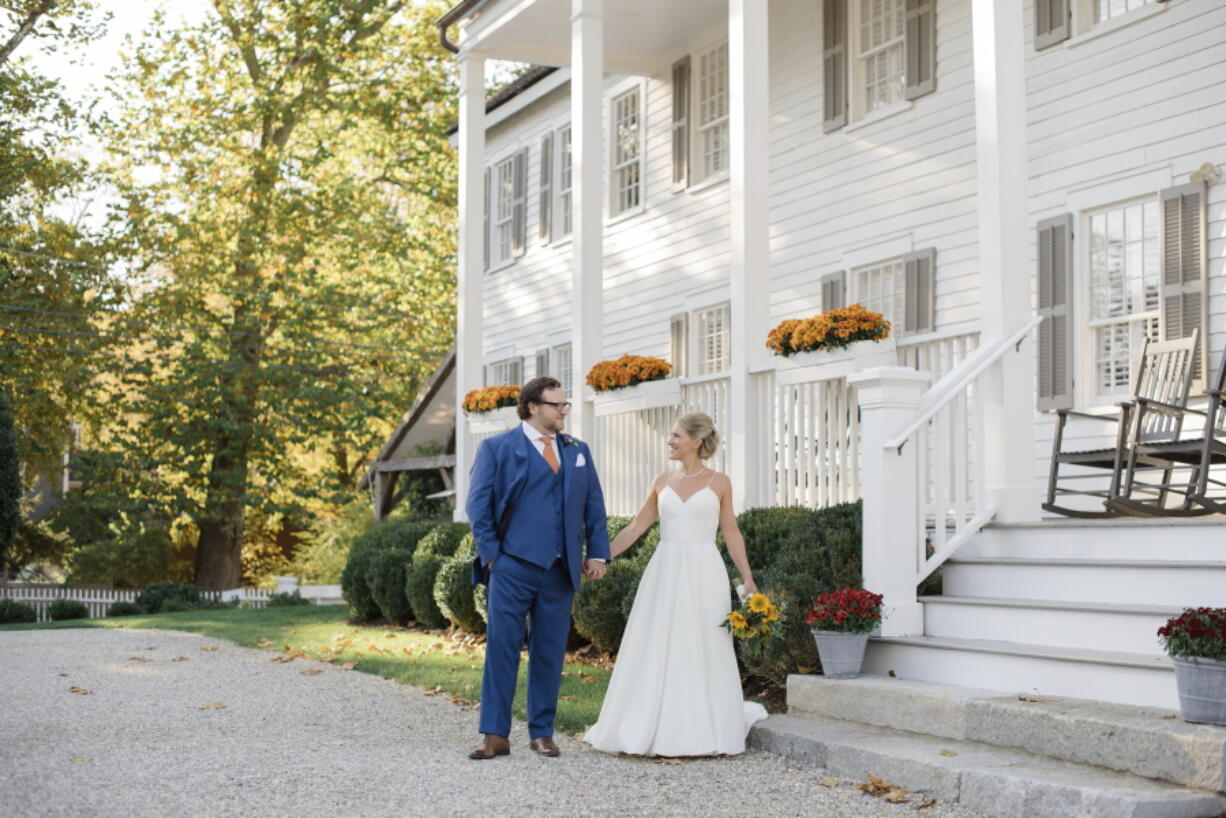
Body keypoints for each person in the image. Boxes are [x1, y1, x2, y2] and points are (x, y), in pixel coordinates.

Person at [583, 411, 767, 756]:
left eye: (676, 436)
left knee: (704, 641)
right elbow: (637, 527)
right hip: (665, 570)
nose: (670, 441)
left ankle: (705, 725)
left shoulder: (720, 482)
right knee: (659, 640)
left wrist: (747, 576)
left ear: (696, 442)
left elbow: (731, 531)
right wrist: (600, 555)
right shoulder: (661, 480)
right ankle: (653, 721)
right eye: (671, 436)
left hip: (704, 570)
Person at [465, 376, 610, 760]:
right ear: (533, 407)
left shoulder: (577, 451)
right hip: (512, 565)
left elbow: (593, 506)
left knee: (549, 652)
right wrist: (494, 555)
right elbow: (478, 506)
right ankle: (495, 734)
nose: (564, 411)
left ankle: (542, 732)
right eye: (557, 405)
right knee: (502, 648)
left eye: (566, 405)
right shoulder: (497, 448)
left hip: (560, 568)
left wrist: (597, 553)